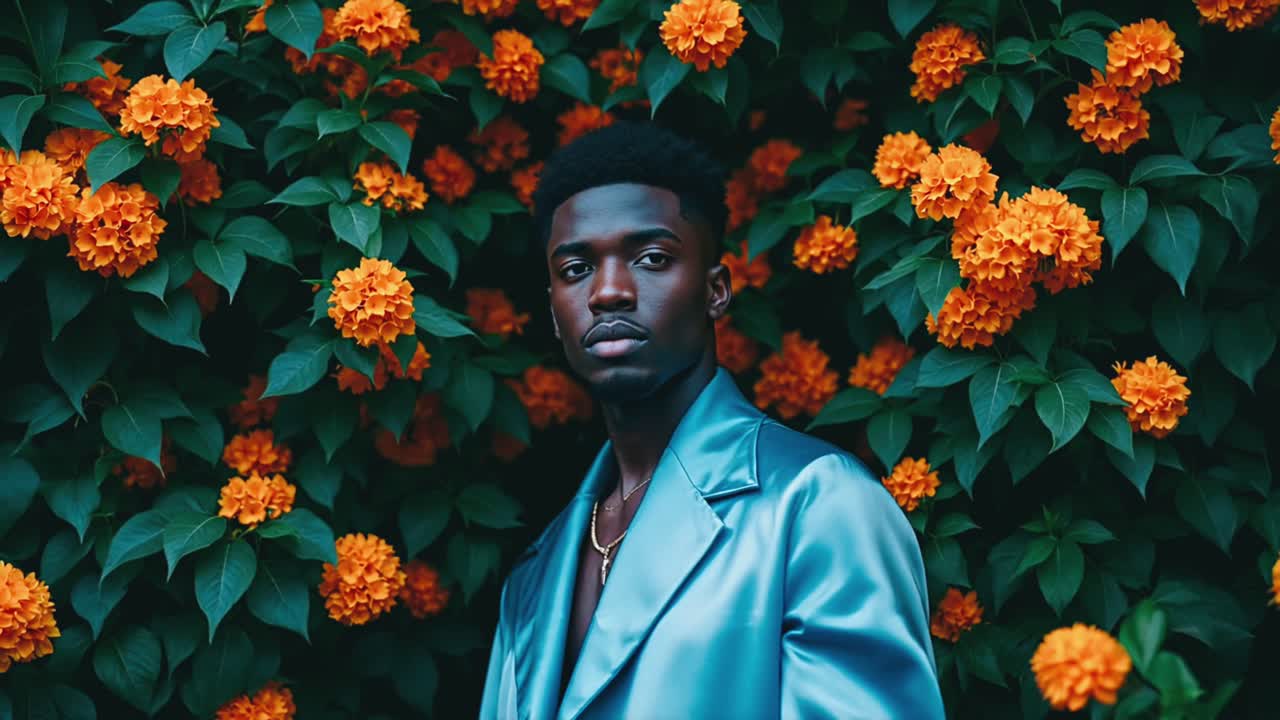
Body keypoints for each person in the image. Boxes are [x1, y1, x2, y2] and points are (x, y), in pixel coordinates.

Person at [479, 121, 945, 720]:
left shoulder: (817, 504)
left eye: (651, 258)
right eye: (576, 269)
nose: (609, 292)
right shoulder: (537, 572)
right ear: (553, 312)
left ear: (717, 290)